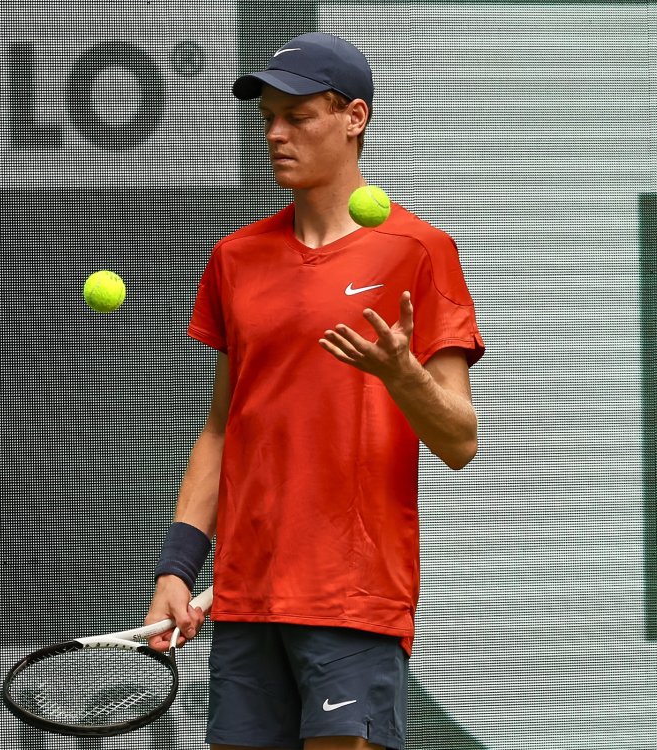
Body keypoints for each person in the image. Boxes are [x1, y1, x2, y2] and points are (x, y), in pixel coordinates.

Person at [146, 31, 484, 750]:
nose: (275, 134)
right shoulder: (234, 259)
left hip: (353, 599)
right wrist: (177, 567)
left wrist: (401, 374)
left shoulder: (421, 252)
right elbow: (221, 429)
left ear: (353, 118)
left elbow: (460, 439)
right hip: (244, 598)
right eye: (268, 116)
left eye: (298, 117)